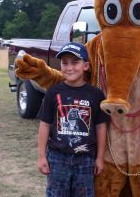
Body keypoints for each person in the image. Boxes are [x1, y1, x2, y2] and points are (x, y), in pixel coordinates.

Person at [37, 42, 110, 197]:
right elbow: (44, 125)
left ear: (86, 66)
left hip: (85, 158)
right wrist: (42, 156)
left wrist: (100, 158)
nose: (69, 67)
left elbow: (101, 127)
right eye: (65, 63)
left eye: (75, 62)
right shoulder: (53, 93)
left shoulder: (96, 94)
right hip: (57, 157)